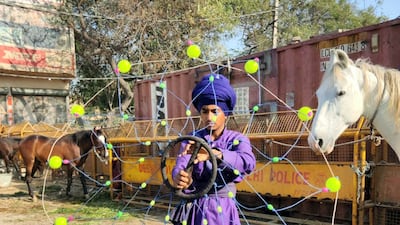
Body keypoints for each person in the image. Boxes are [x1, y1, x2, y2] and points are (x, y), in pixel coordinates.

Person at [171, 73, 256, 225]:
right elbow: (181, 165)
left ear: (226, 114)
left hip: (223, 211)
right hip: (195, 210)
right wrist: (180, 177)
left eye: (215, 111)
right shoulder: (192, 139)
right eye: (204, 111)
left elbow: (248, 162)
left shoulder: (237, 139)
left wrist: (214, 155)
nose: (209, 117)